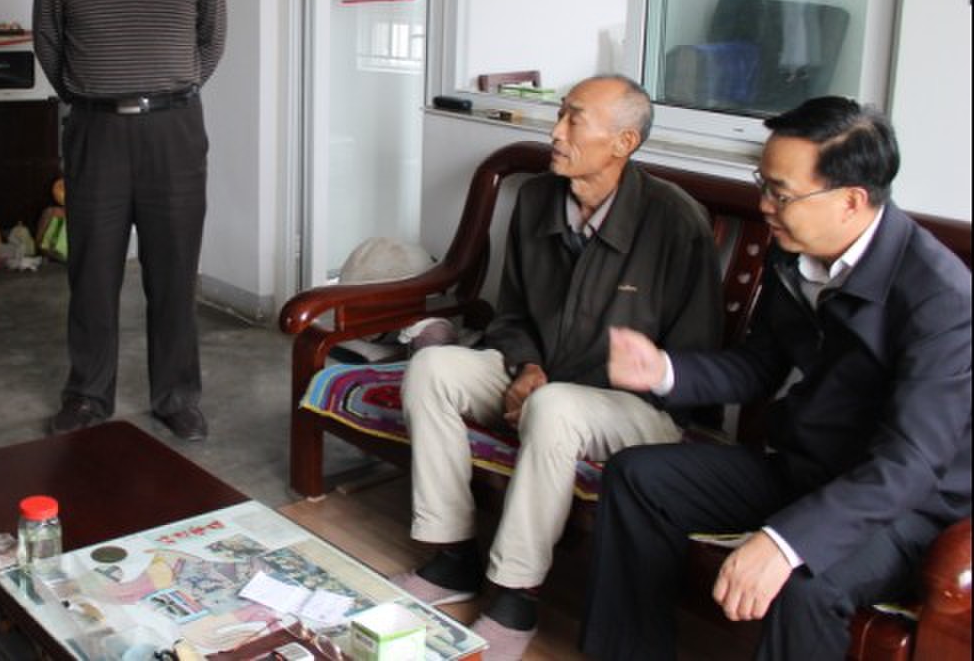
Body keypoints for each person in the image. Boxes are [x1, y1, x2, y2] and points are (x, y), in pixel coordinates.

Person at [583, 96, 971, 661]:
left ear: (851, 201)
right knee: (639, 478)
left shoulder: (941, 299)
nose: (764, 205)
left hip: (903, 509)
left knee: (804, 582)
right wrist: (664, 369)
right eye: (762, 184)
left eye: (781, 193)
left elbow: (909, 465)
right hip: (809, 468)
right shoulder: (793, 252)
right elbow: (760, 364)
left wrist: (786, 542)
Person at [393, 75, 721, 661]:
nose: (556, 132)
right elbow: (513, 312)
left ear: (623, 142)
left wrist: (558, 385)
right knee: (432, 368)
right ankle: (453, 556)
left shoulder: (674, 221)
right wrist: (527, 365)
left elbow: (695, 356)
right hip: (545, 379)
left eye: (574, 119)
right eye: (560, 115)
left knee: (554, 407)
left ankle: (515, 595)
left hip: (640, 410)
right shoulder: (539, 200)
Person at [32, 0, 227, 442]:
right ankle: (88, 395)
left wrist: (168, 89)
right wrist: (95, 94)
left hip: (175, 131)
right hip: (97, 131)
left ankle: (177, 396)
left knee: (174, 274)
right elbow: (48, 42)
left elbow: (211, 41)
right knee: (92, 273)